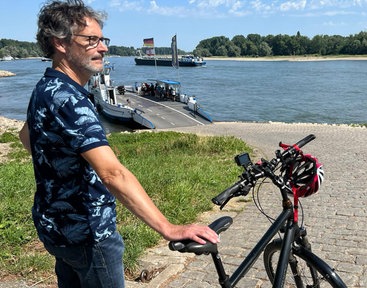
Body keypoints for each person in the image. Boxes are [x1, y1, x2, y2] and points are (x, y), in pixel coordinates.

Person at [18, 1, 219, 287]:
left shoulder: (46, 88)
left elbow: (26, 136)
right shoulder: (72, 100)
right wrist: (169, 228)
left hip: (56, 229)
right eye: (91, 40)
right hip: (89, 236)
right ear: (59, 43)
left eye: (103, 39)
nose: (103, 48)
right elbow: (113, 173)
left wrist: (64, 172)